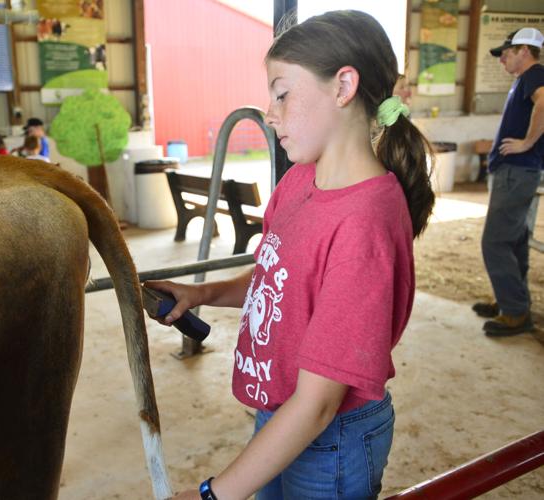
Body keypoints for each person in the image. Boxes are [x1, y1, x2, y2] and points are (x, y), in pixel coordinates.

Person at [145, 10, 435, 500]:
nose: (270, 112)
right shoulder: (299, 179)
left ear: (344, 87)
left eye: (282, 93)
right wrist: (202, 293)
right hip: (282, 410)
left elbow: (320, 404)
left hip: (331, 439)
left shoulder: (364, 221)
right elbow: (276, 278)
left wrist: (214, 495)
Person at [472, 27, 544, 336]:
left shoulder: (535, 75)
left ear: (524, 51)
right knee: (514, 241)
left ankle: (515, 312)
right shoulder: (524, 80)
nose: (502, 60)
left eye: (507, 53)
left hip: (518, 169)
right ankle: (512, 301)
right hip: (515, 170)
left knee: (495, 242)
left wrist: (527, 142)